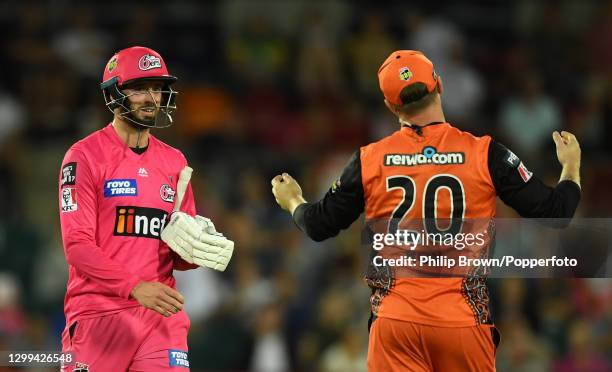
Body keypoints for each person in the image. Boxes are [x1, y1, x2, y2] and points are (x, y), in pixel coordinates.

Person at [271, 50, 581, 372]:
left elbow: (319, 224)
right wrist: (570, 167)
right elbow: (556, 212)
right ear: (440, 86)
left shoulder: (369, 159)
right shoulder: (484, 153)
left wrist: (293, 200)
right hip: (461, 322)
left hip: (395, 324)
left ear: (391, 106)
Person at [58, 46, 234, 371]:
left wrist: (195, 249)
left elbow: (177, 256)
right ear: (114, 94)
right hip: (100, 314)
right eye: (139, 88)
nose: (151, 97)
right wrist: (134, 288)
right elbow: (77, 247)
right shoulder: (83, 157)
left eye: (157, 88)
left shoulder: (175, 162)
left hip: (160, 316)